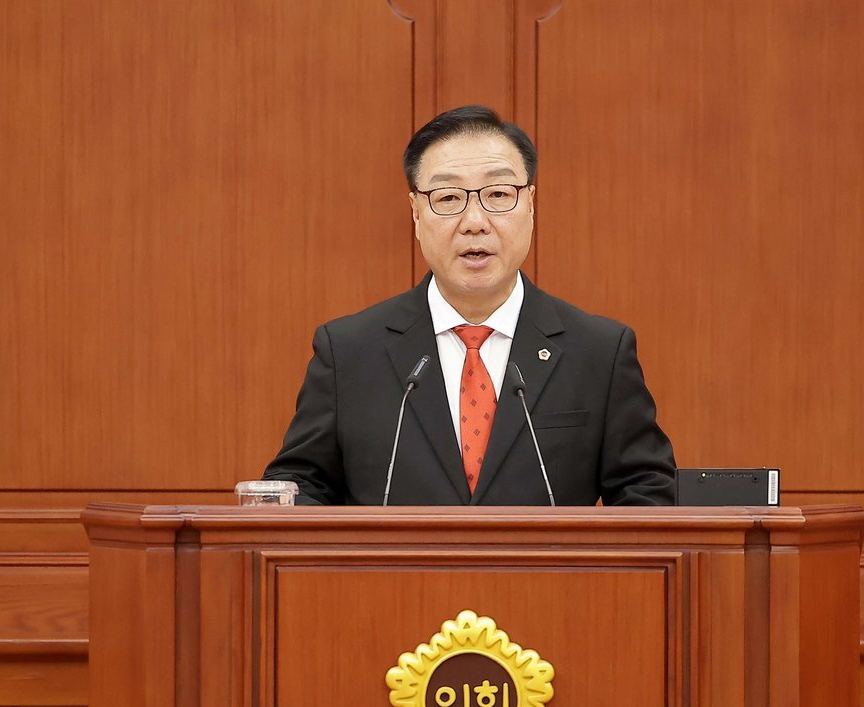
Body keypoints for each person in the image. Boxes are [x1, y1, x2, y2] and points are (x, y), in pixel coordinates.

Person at [263, 105, 675, 505]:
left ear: (531, 204)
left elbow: (648, 493)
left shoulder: (600, 352)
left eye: (498, 194)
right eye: (448, 198)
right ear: (416, 212)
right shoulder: (348, 352)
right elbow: (300, 487)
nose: (475, 222)